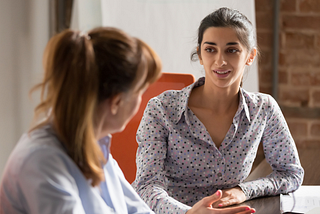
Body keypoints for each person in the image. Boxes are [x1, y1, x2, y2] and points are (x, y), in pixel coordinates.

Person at [0, 27, 255, 214]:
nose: (144, 101)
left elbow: (136, 210)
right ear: (116, 101)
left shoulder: (96, 148)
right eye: (140, 91)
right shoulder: (42, 162)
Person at [132, 7, 304, 214]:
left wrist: (244, 190)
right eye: (210, 49)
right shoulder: (162, 110)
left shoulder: (263, 109)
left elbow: (291, 173)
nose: (220, 61)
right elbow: (146, 186)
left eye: (232, 50)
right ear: (200, 54)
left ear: (250, 56)